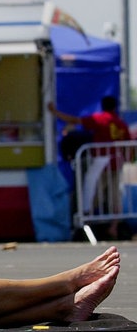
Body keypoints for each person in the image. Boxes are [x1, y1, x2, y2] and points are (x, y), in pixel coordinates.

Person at [48, 96, 133, 240]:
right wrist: (127, 159)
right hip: (117, 164)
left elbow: (75, 121)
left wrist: (54, 112)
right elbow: (129, 144)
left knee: (93, 192)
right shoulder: (121, 123)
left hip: (102, 164)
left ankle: (86, 221)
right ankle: (113, 226)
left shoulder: (101, 119)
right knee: (115, 197)